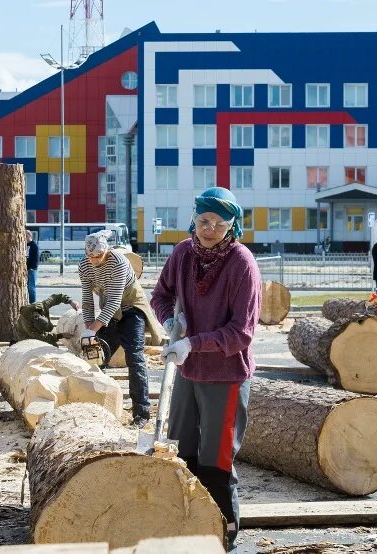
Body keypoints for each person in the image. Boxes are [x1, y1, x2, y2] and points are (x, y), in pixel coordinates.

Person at [151, 186, 262, 548]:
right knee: (182, 452)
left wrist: (192, 343)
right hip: (188, 371)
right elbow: (161, 295)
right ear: (193, 220)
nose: (210, 229)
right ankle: (186, 525)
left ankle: (222, 533)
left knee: (216, 460)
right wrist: (170, 323)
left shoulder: (242, 264)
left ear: (233, 226)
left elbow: (241, 333)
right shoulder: (183, 253)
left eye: (219, 222)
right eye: (203, 221)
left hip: (226, 375)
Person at [79, 230, 163, 427]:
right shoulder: (84, 266)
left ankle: (141, 413)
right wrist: (89, 327)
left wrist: (96, 327)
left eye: (98, 256)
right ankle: (97, 407)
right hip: (110, 311)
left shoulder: (118, 262)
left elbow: (116, 299)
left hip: (131, 308)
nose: (95, 261)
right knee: (97, 356)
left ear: (106, 251)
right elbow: (87, 300)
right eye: (91, 257)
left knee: (134, 357)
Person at [26, 230, 39, 303]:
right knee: (28, 287)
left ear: (29, 236)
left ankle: (33, 303)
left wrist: (30, 267)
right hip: (27, 269)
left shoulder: (34, 245)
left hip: (32, 269)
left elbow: (35, 259)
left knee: (31, 287)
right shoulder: (25, 245)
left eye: (26, 236)